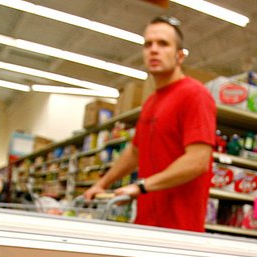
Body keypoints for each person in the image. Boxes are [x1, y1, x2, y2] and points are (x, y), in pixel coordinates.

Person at [84, 16, 216, 231]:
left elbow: (198, 160)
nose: (154, 50)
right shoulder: (151, 102)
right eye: (148, 44)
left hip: (179, 229)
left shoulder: (195, 94)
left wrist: (142, 186)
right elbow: (135, 152)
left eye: (163, 44)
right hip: (146, 223)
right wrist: (102, 183)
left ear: (180, 56)